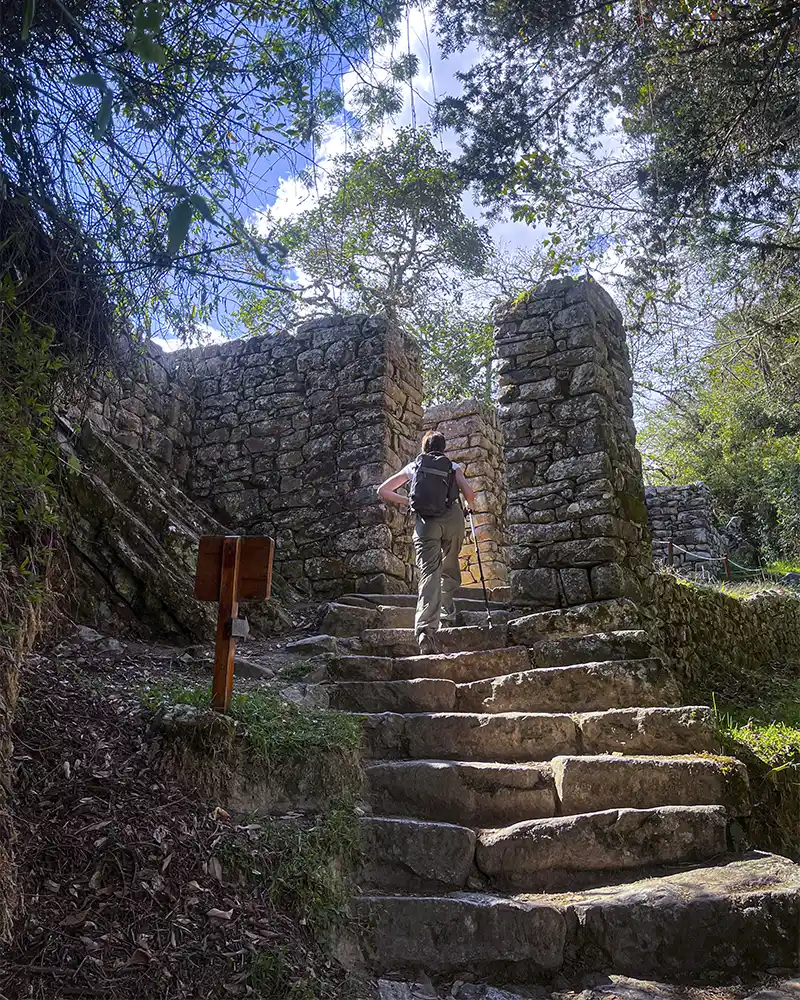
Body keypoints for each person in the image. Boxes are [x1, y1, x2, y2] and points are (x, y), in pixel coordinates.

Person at [376, 430, 476, 654]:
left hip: (426, 523)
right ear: (443, 448)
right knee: (449, 568)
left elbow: (383, 490)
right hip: (453, 520)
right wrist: (469, 505)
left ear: (424, 448)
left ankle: (424, 631)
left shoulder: (414, 466)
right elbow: (469, 493)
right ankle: (447, 617)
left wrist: (409, 501)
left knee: (429, 572)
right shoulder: (452, 467)